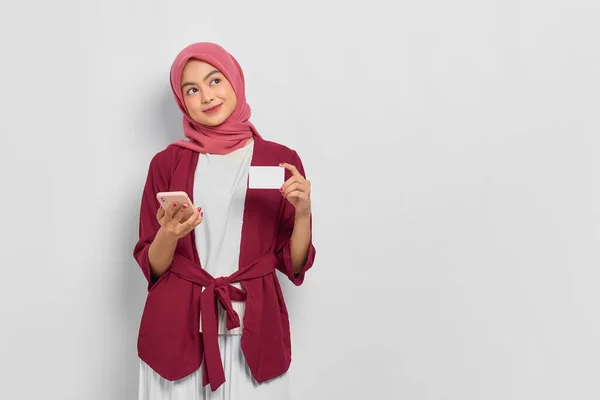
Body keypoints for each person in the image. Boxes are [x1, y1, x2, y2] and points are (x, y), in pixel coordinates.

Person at [132, 42, 316, 400]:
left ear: (234, 80)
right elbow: (153, 268)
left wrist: (304, 212)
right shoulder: (166, 164)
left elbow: (292, 265)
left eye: (215, 80)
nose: (207, 96)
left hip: (254, 332)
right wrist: (168, 236)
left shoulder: (279, 160)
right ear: (182, 101)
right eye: (192, 90)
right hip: (175, 333)